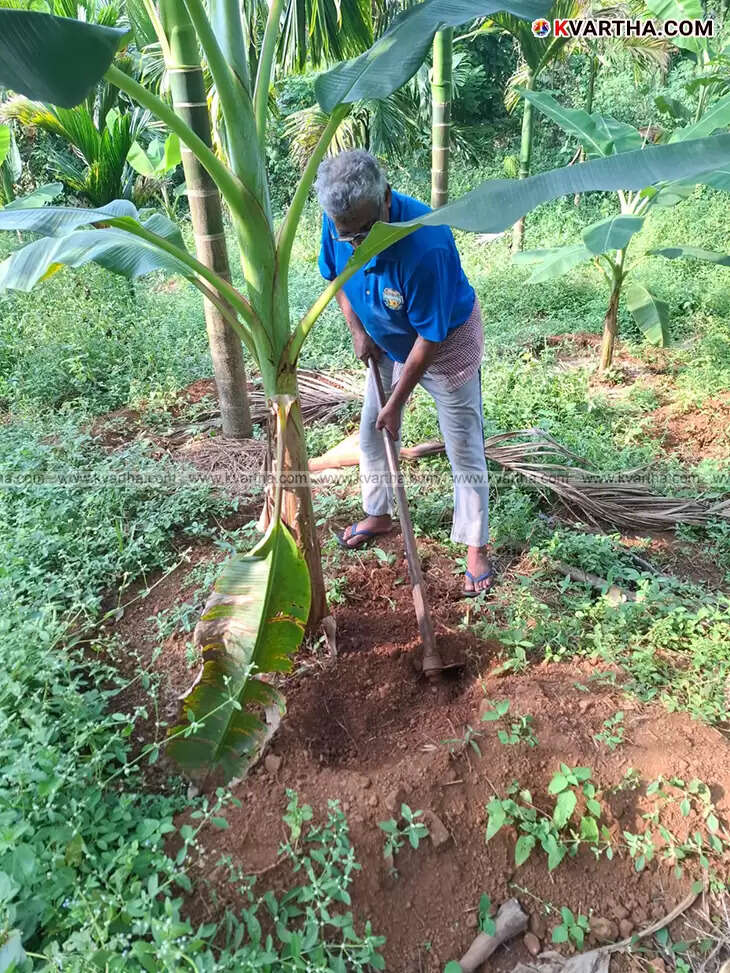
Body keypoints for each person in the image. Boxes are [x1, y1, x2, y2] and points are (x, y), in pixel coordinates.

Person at [314, 149, 493, 596]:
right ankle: (378, 513)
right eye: (346, 236)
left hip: (444, 343)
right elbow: (335, 277)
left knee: (464, 447)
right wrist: (358, 327)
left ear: (385, 203)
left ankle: (476, 546)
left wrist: (397, 402)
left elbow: (430, 338)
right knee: (373, 434)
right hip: (385, 341)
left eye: (361, 235)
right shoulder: (340, 220)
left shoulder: (425, 243)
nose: (352, 244)